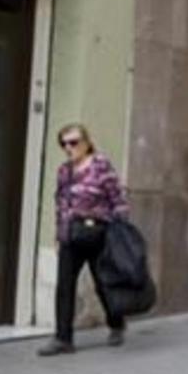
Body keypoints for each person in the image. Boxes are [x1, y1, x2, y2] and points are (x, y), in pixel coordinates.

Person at [38, 123, 130, 356]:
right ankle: (63, 338)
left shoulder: (101, 166)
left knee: (103, 284)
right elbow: (60, 205)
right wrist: (59, 235)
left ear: (86, 143)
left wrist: (119, 233)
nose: (69, 148)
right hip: (71, 235)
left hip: (97, 233)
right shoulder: (64, 171)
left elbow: (117, 199)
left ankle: (117, 323)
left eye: (74, 142)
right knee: (64, 287)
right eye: (64, 143)